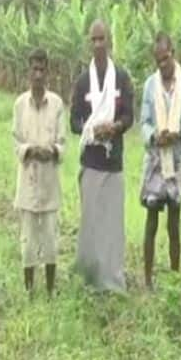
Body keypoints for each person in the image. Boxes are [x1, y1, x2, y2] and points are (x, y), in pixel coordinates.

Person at [70, 19, 134, 292]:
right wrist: (92, 130)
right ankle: (89, 276)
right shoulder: (83, 82)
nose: (98, 44)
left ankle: (111, 278)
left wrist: (115, 128)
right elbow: (74, 122)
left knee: (112, 224)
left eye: (102, 39)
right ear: (89, 43)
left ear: (109, 41)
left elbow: (130, 115)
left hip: (114, 161)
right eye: (93, 40)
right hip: (92, 162)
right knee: (91, 222)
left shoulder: (121, 77)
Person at [139, 32, 181, 289]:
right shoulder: (149, 86)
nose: (162, 65)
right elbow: (143, 122)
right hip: (155, 160)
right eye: (158, 61)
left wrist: (179, 135)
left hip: (176, 161)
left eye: (165, 59)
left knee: (174, 222)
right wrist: (154, 136)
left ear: (173, 54)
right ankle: (148, 279)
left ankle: (174, 276)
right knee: (151, 221)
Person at [12, 48, 66, 299]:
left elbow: (63, 142)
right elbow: (15, 142)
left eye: (42, 69)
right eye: (33, 69)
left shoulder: (56, 104)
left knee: (52, 241)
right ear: (28, 72)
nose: (37, 74)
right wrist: (30, 150)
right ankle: (29, 291)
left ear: (48, 73)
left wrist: (52, 151)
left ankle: (51, 289)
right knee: (28, 242)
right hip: (27, 182)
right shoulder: (19, 104)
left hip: (49, 182)